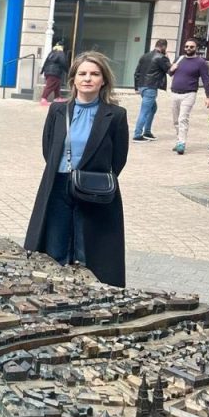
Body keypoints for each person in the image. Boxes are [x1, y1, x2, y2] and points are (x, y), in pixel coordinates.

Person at [24, 51, 129, 287]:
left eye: (94, 74)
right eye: (82, 74)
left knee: (90, 250)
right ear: (73, 79)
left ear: (103, 80)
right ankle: (55, 292)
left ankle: (91, 293)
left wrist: (94, 178)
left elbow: (119, 159)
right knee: (55, 247)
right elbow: (48, 149)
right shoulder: (58, 110)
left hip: (95, 189)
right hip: (58, 185)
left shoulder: (115, 115)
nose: (88, 78)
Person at [168, 38, 209, 155]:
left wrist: (208, 96)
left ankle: (181, 143)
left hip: (189, 94)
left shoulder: (201, 62)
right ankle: (179, 140)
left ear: (196, 48)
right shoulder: (179, 59)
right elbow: (170, 73)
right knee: (176, 120)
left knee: (183, 118)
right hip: (175, 93)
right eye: (187, 46)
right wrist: (171, 69)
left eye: (191, 47)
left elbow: (206, 80)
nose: (188, 48)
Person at [131, 39, 171, 142]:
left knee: (153, 108)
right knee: (144, 111)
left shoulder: (145, 56)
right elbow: (170, 71)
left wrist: (136, 87)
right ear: (164, 47)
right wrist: (167, 58)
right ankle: (137, 135)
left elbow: (136, 73)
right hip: (150, 87)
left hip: (142, 86)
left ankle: (147, 132)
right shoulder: (161, 57)